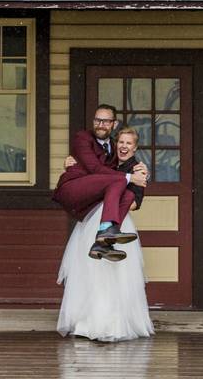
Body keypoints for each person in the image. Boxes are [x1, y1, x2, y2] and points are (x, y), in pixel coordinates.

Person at [56, 126, 154, 342]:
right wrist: (69, 164)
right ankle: (87, 321)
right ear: (115, 144)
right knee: (90, 273)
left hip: (117, 221)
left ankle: (113, 323)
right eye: (121, 142)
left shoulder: (137, 169)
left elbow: (136, 202)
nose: (124, 147)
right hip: (93, 220)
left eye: (129, 143)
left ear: (135, 147)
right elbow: (89, 171)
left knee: (115, 276)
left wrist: (119, 199)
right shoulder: (106, 161)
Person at [52, 104, 149, 261]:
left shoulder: (113, 147)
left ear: (114, 124)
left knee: (129, 193)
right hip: (73, 188)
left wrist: (143, 172)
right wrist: (130, 178)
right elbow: (95, 168)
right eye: (97, 120)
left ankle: (102, 244)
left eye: (105, 121)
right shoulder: (83, 138)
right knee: (119, 180)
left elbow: (126, 177)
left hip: (94, 201)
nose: (100, 125)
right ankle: (105, 230)